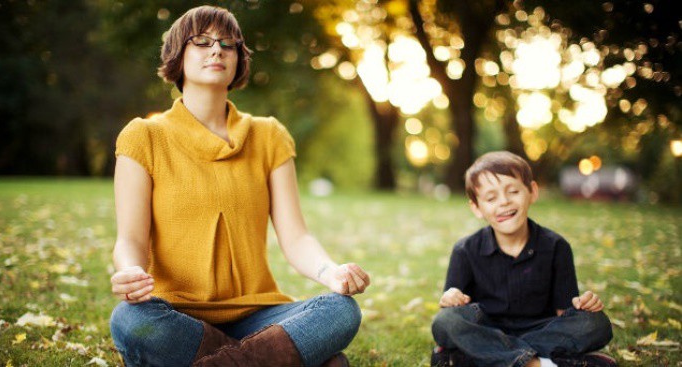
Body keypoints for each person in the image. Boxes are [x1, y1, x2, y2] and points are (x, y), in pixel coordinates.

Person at [108, 6, 370, 367]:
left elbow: (295, 238)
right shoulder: (144, 136)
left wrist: (331, 272)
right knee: (129, 322)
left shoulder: (269, 135)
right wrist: (128, 271)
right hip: (176, 313)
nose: (216, 50)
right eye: (201, 41)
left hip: (258, 316)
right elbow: (131, 240)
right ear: (177, 56)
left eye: (227, 44)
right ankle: (282, 358)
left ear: (238, 60)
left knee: (342, 311)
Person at [430, 151, 616, 367]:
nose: (504, 202)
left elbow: (564, 312)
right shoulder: (465, 250)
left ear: (532, 192)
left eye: (513, 191)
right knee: (446, 322)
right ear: (476, 207)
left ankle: (484, 357)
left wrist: (583, 305)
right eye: (491, 198)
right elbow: (452, 312)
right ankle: (541, 364)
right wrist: (450, 297)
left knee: (595, 323)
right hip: (486, 328)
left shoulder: (556, 246)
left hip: (540, 330)